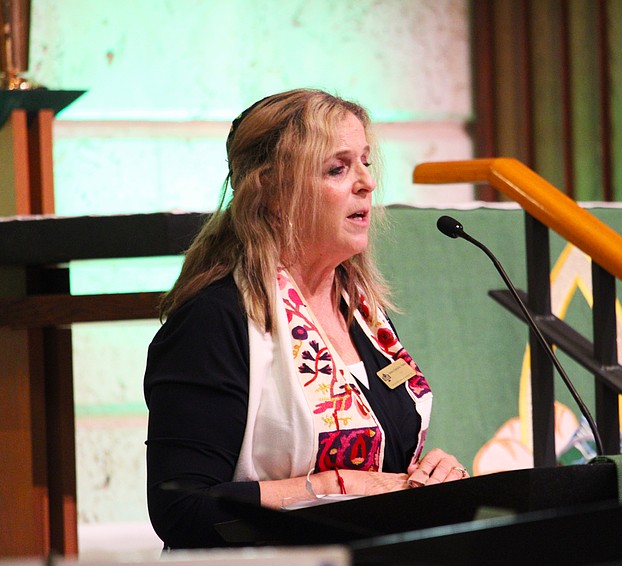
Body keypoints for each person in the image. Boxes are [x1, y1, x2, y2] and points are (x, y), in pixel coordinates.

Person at [144, 88, 468, 549]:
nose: (366, 183)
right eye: (338, 168)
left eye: (365, 163)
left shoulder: (363, 313)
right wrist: (339, 486)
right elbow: (182, 509)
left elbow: (385, 473)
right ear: (275, 195)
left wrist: (430, 479)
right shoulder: (214, 323)